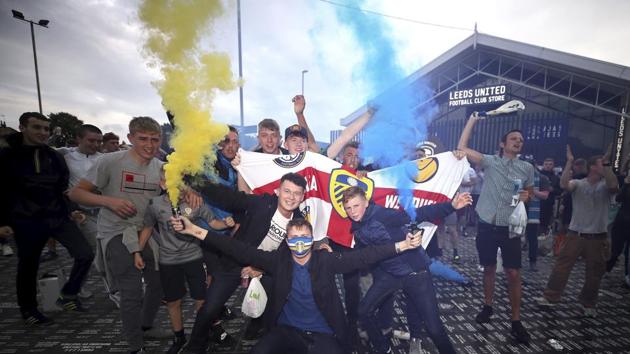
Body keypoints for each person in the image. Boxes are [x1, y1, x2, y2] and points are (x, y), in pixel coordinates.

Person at [172, 216, 422, 354]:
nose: (300, 243)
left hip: (323, 333)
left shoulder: (325, 261)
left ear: (311, 238)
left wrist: (403, 246)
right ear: (287, 241)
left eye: (305, 237)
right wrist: (195, 230)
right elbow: (237, 248)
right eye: (294, 238)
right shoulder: (278, 262)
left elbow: (364, 256)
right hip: (287, 331)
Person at [69, 116, 191, 353]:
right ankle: (136, 346)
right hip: (116, 231)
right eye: (143, 138)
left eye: (155, 139)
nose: (149, 144)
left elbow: (171, 196)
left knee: (158, 284)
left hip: (145, 232)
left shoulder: (160, 167)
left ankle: (145, 326)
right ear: (130, 138)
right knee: (131, 290)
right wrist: (109, 201)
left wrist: (187, 192)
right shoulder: (110, 162)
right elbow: (76, 193)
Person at [182, 173, 308, 353]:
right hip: (235, 260)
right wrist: (193, 177)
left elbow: (286, 257)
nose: (291, 197)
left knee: (276, 305)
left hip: (265, 268)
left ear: (303, 196)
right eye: (287, 191)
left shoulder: (299, 222)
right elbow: (227, 197)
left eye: (297, 193)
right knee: (209, 308)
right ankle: (195, 346)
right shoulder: (262, 202)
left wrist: (260, 269)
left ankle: (268, 339)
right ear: (278, 191)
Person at [342, 186, 471, 354]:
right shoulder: (357, 227)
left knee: (434, 329)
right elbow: (366, 255)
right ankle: (384, 349)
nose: (352, 211)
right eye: (348, 208)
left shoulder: (382, 215)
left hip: (415, 272)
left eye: (356, 206)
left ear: (366, 202)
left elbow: (417, 214)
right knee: (364, 311)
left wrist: (451, 207)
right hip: (391, 274)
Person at [0, 112, 94, 326]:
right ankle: (29, 310)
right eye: (37, 127)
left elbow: (62, 188)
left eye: (46, 129)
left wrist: (72, 210)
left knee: (85, 254)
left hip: (57, 216)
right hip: (26, 220)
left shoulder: (55, 156)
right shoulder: (6, 156)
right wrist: (3, 222)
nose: (43, 133)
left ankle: (69, 295)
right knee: (28, 265)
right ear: (23, 127)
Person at [135, 165, 234, 354]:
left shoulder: (195, 202)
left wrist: (226, 223)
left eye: (181, 182)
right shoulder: (155, 204)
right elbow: (147, 228)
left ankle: (202, 334)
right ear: (163, 184)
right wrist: (137, 252)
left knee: (201, 301)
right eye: (171, 182)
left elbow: (213, 223)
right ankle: (179, 337)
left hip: (193, 258)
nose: (177, 186)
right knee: (173, 302)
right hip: (168, 261)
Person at [457, 112, 534, 344]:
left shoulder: (527, 167)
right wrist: (472, 120)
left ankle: (516, 320)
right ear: (503, 144)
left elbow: (529, 192)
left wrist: (523, 198)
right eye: (513, 139)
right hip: (487, 225)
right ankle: (488, 306)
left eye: (520, 140)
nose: (518, 142)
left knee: (513, 273)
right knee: (489, 268)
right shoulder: (491, 161)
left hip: (510, 227)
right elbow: (462, 146)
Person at [537, 146, 619, 317]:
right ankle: (550, 296)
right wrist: (569, 162)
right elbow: (564, 184)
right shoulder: (579, 184)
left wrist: (607, 163)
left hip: (598, 236)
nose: (603, 167)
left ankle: (588, 303)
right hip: (575, 234)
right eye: (600, 164)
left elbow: (613, 186)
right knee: (561, 267)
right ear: (592, 167)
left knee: (594, 273)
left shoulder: (606, 185)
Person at [524, 158, 550, 272]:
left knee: (532, 239)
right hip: (518, 211)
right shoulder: (518, 177)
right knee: (512, 237)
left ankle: (532, 262)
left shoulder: (542, 178)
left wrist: (531, 190)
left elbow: (545, 195)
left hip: (533, 214)